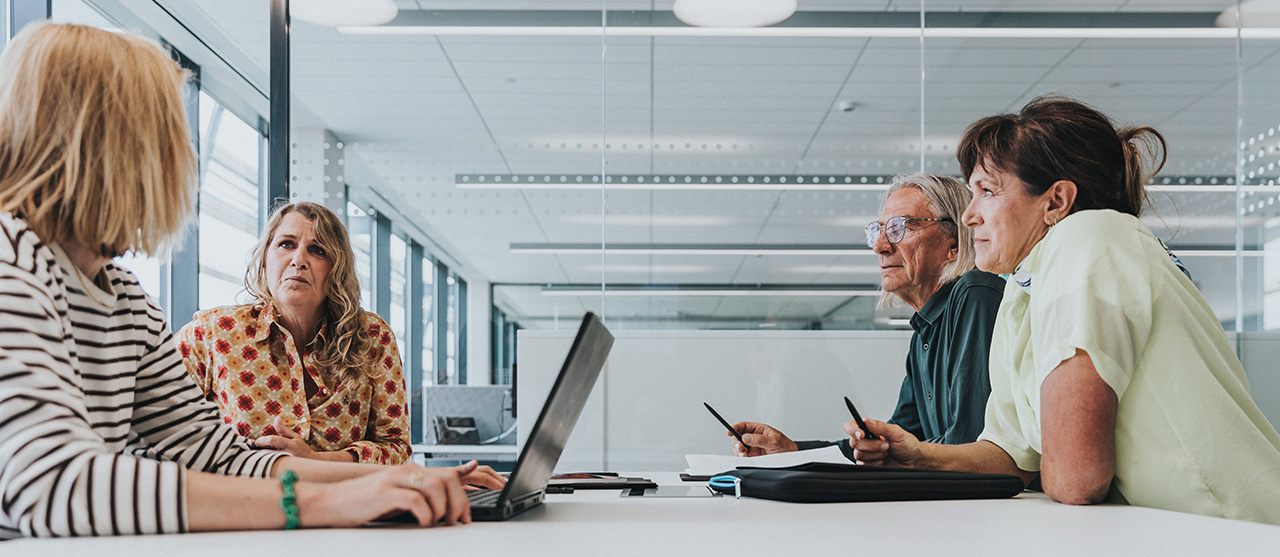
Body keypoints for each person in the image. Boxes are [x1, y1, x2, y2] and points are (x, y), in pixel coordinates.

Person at [0, 22, 500, 538]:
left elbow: (218, 455)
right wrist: (324, 503)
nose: (180, 160)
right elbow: (51, 485)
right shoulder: (10, 265)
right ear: (102, 148)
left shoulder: (124, 300)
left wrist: (410, 480)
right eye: (164, 134)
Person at [850, 96, 1280, 525]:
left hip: (1239, 527)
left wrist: (1056, 461)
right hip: (1173, 529)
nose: (968, 216)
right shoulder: (1021, 290)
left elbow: (1076, 477)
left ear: (1056, 202)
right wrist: (917, 455)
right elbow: (1009, 456)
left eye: (986, 191)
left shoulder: (1091, 236)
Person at [729, 174, 1004, 458]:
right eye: (878, 231)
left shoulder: (976, 294)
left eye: (900, 228)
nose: (880, 246)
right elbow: (895, 442)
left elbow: (968, 442)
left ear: (954, 244)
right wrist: (794, 451)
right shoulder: (925, 331)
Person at [177, 202, 410, 465]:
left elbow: (396, 449)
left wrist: (317, 461)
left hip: (342, 503)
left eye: (317, 250)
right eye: (286, 244)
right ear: (265, 261)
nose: (299, 260)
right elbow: (162, 432)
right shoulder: (211, 333)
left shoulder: (372, 337)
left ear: (336, 270)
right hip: (239, 501)